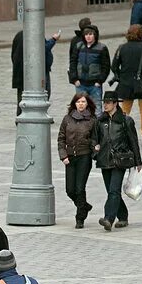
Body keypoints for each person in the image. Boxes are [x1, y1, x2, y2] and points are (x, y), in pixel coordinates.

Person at [95, 91, 142, 231]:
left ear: (115, 104)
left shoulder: (126, 121)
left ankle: (108, 218)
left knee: (113, 190)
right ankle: (123, 216)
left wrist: (138, 162)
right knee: (111, 191)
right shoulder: (100, 120)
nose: (105, 105)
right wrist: (94, 150)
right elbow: (94, 139)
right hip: (104, 160)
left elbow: (133, 141)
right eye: (104, 102)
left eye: (108, 102)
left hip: (120, 160)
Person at [113, 25, 142, 148]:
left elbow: (114, 66)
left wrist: (120, 76)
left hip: (126, 84)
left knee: (124, 110)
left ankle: (120, 136)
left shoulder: (121, 48)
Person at [57, 93, 99, 228]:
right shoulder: (67, 119)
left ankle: (80, 218)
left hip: (84, 156)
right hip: (70, 157)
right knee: (70, 190)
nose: (81, 104)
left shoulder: (92, 120)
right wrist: (63, 155)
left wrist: (94, 149)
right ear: (74, 104)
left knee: (80, 188)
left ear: (87, 104)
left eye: (83, 102)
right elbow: (61, 139)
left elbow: (95, 138)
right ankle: (84, 206)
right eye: (78, 102)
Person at [12, 30, 61, 114]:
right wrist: (53, 40)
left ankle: (21, 117)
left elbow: (13, 55)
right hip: (38, 71)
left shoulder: (20, 34)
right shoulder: (34, 34)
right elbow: (42, 50)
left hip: (22, 72)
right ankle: (39, 114)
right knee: (44, 93)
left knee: (22, 97)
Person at [68, 24, 110, 106]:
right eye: (86, 34)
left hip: (95, 85)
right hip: (80, 84)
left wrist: (100, 81)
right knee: (81, 107)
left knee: (97, 108)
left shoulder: (102, 48)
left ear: (95, 35)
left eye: (90, 34)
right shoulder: (79, 46)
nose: (88, 37)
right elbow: (73, 62)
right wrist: (74, 79)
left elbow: (106, 66)